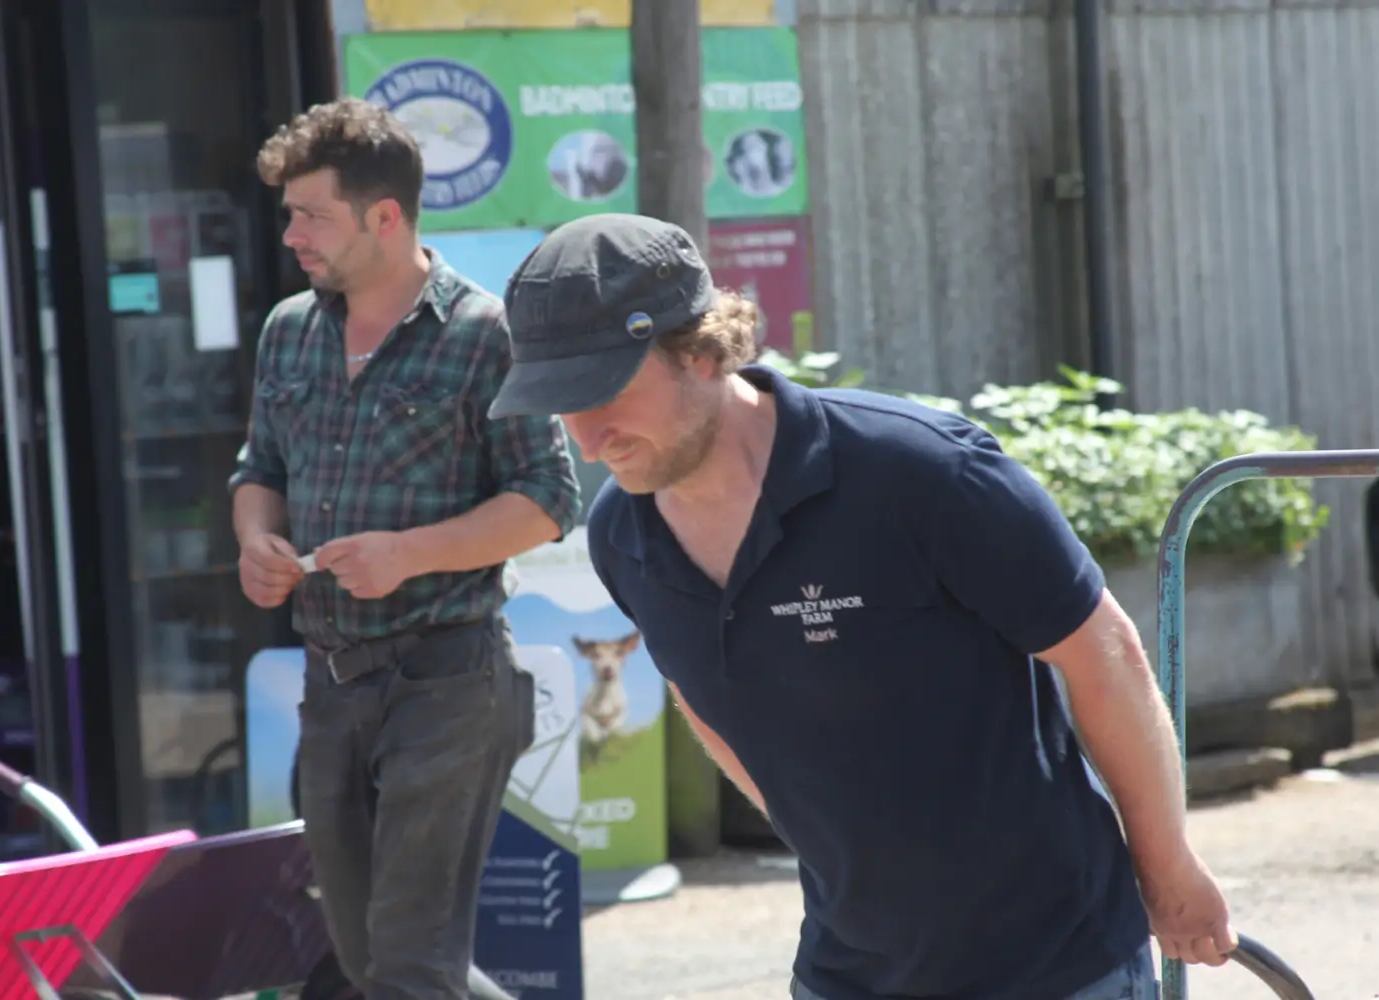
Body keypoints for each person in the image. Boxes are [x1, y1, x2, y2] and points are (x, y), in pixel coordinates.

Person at [487, 212, 1235, 1000]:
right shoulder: (622, 537)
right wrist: (834, 841)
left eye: (603, 391)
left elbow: (1104, 654)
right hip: (847, 971)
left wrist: (1168, 865)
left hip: (1051, 963)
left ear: (702, 351)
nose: (587, 435)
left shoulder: (921, 472)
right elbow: (698, 691)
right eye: (557, 403)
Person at [228, 98, 580, 1000]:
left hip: (448, 679)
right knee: (367, 964)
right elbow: (258, 467)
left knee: (411, 970)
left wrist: (408, 554)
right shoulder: (287, 331)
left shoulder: (485, 333)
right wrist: (255, 540)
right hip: (331, 682)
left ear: (385, 217)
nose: (292, 233)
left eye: (312, 214)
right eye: (289, 212)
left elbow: (546, 503)